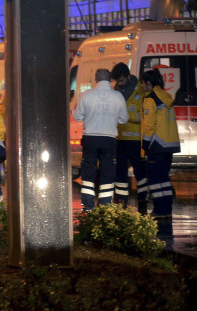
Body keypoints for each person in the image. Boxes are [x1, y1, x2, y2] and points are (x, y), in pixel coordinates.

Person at [72, 68, 129, 211]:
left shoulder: (86, 95)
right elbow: (124, 119)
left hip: (90, 138)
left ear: (96, 80)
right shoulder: (118, 96)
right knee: (107, 171)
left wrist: (74, 109)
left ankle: (88, 205)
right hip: (109, 139)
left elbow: (77, 117)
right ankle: (104, 205)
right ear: (110, 80)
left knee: (88, 171)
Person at [140, 68, 181, 219]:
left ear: (149, 83)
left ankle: (158, 209)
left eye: (143, 83)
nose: (142, 86)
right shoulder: (166, 96)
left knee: (154, 179)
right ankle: (166, 209)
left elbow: (150, 123)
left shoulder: (151, 99)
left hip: (156, 145)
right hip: (169, 144)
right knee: (164, 178)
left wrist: (145, 143)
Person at [110, 62, 148, 213]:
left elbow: (144, 114)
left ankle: (143, 198)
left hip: (135, 139)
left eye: (121, 80)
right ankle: (121, 199)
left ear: (128, 76)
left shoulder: (140, 90)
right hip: (119, 138)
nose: (119, 84)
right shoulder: (116, 90)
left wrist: (125, 116)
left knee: (139, 170)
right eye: (117, 81)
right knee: (120, 171)